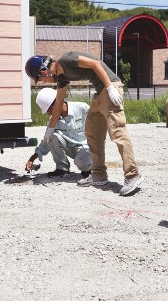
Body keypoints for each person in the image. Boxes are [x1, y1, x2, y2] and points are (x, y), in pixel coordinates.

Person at [25, 52, 144, 196]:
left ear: (44, 71)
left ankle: (132, 175)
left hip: (109, 87)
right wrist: (51, 129)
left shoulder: (66, 60)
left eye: (40, 79)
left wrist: (110, 88)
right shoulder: (61, 78)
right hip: (100, 93)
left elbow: (95, 64)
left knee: (117, 131)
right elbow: (58, 103)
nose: (43, 82)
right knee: (92, 132)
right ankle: (99, 175)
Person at [25, 87, 92, 178]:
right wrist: (32, 159)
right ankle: (62, 168)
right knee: (53, 136)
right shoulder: (52, 121)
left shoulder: (83, 108)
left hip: (87, 149)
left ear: (56, 104)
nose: (49, 113)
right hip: (72, 149)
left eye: (49, 110)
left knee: (84, 163)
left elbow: (98, 129)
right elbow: (46, 142)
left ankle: (89, 168)